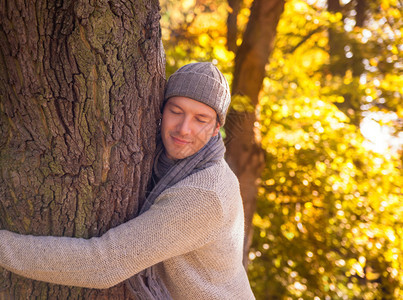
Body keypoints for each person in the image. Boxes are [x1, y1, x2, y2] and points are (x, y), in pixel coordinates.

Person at [0, 62, 255, 299]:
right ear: (161, 110)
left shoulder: (204, 193)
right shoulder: (158, 158)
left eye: (201, 120)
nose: (184, 129)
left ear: (215, 129)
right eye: (176, 111)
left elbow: (104, 264)